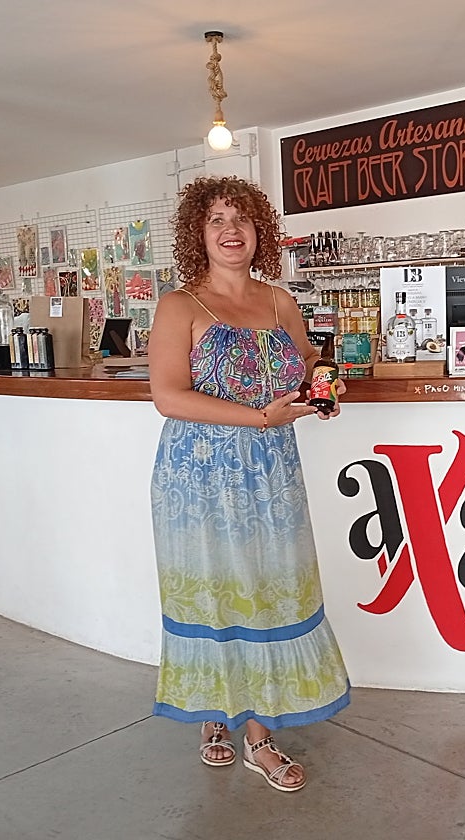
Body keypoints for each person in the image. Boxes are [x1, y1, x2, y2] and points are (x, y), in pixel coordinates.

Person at [148, 175, 350, 793]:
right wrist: (261, 416)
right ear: (197, 236)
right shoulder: (179, 304)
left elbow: (308, 360)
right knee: (213, 592)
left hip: (270, 474)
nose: (230, 229)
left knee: (267, 594)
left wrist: (325, 382)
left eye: (240, 218)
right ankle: (215, 717)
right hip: (198, 475)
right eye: (215, 220)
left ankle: (259, 737)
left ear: (258, 230)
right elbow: (167, 396)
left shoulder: (279, 301)